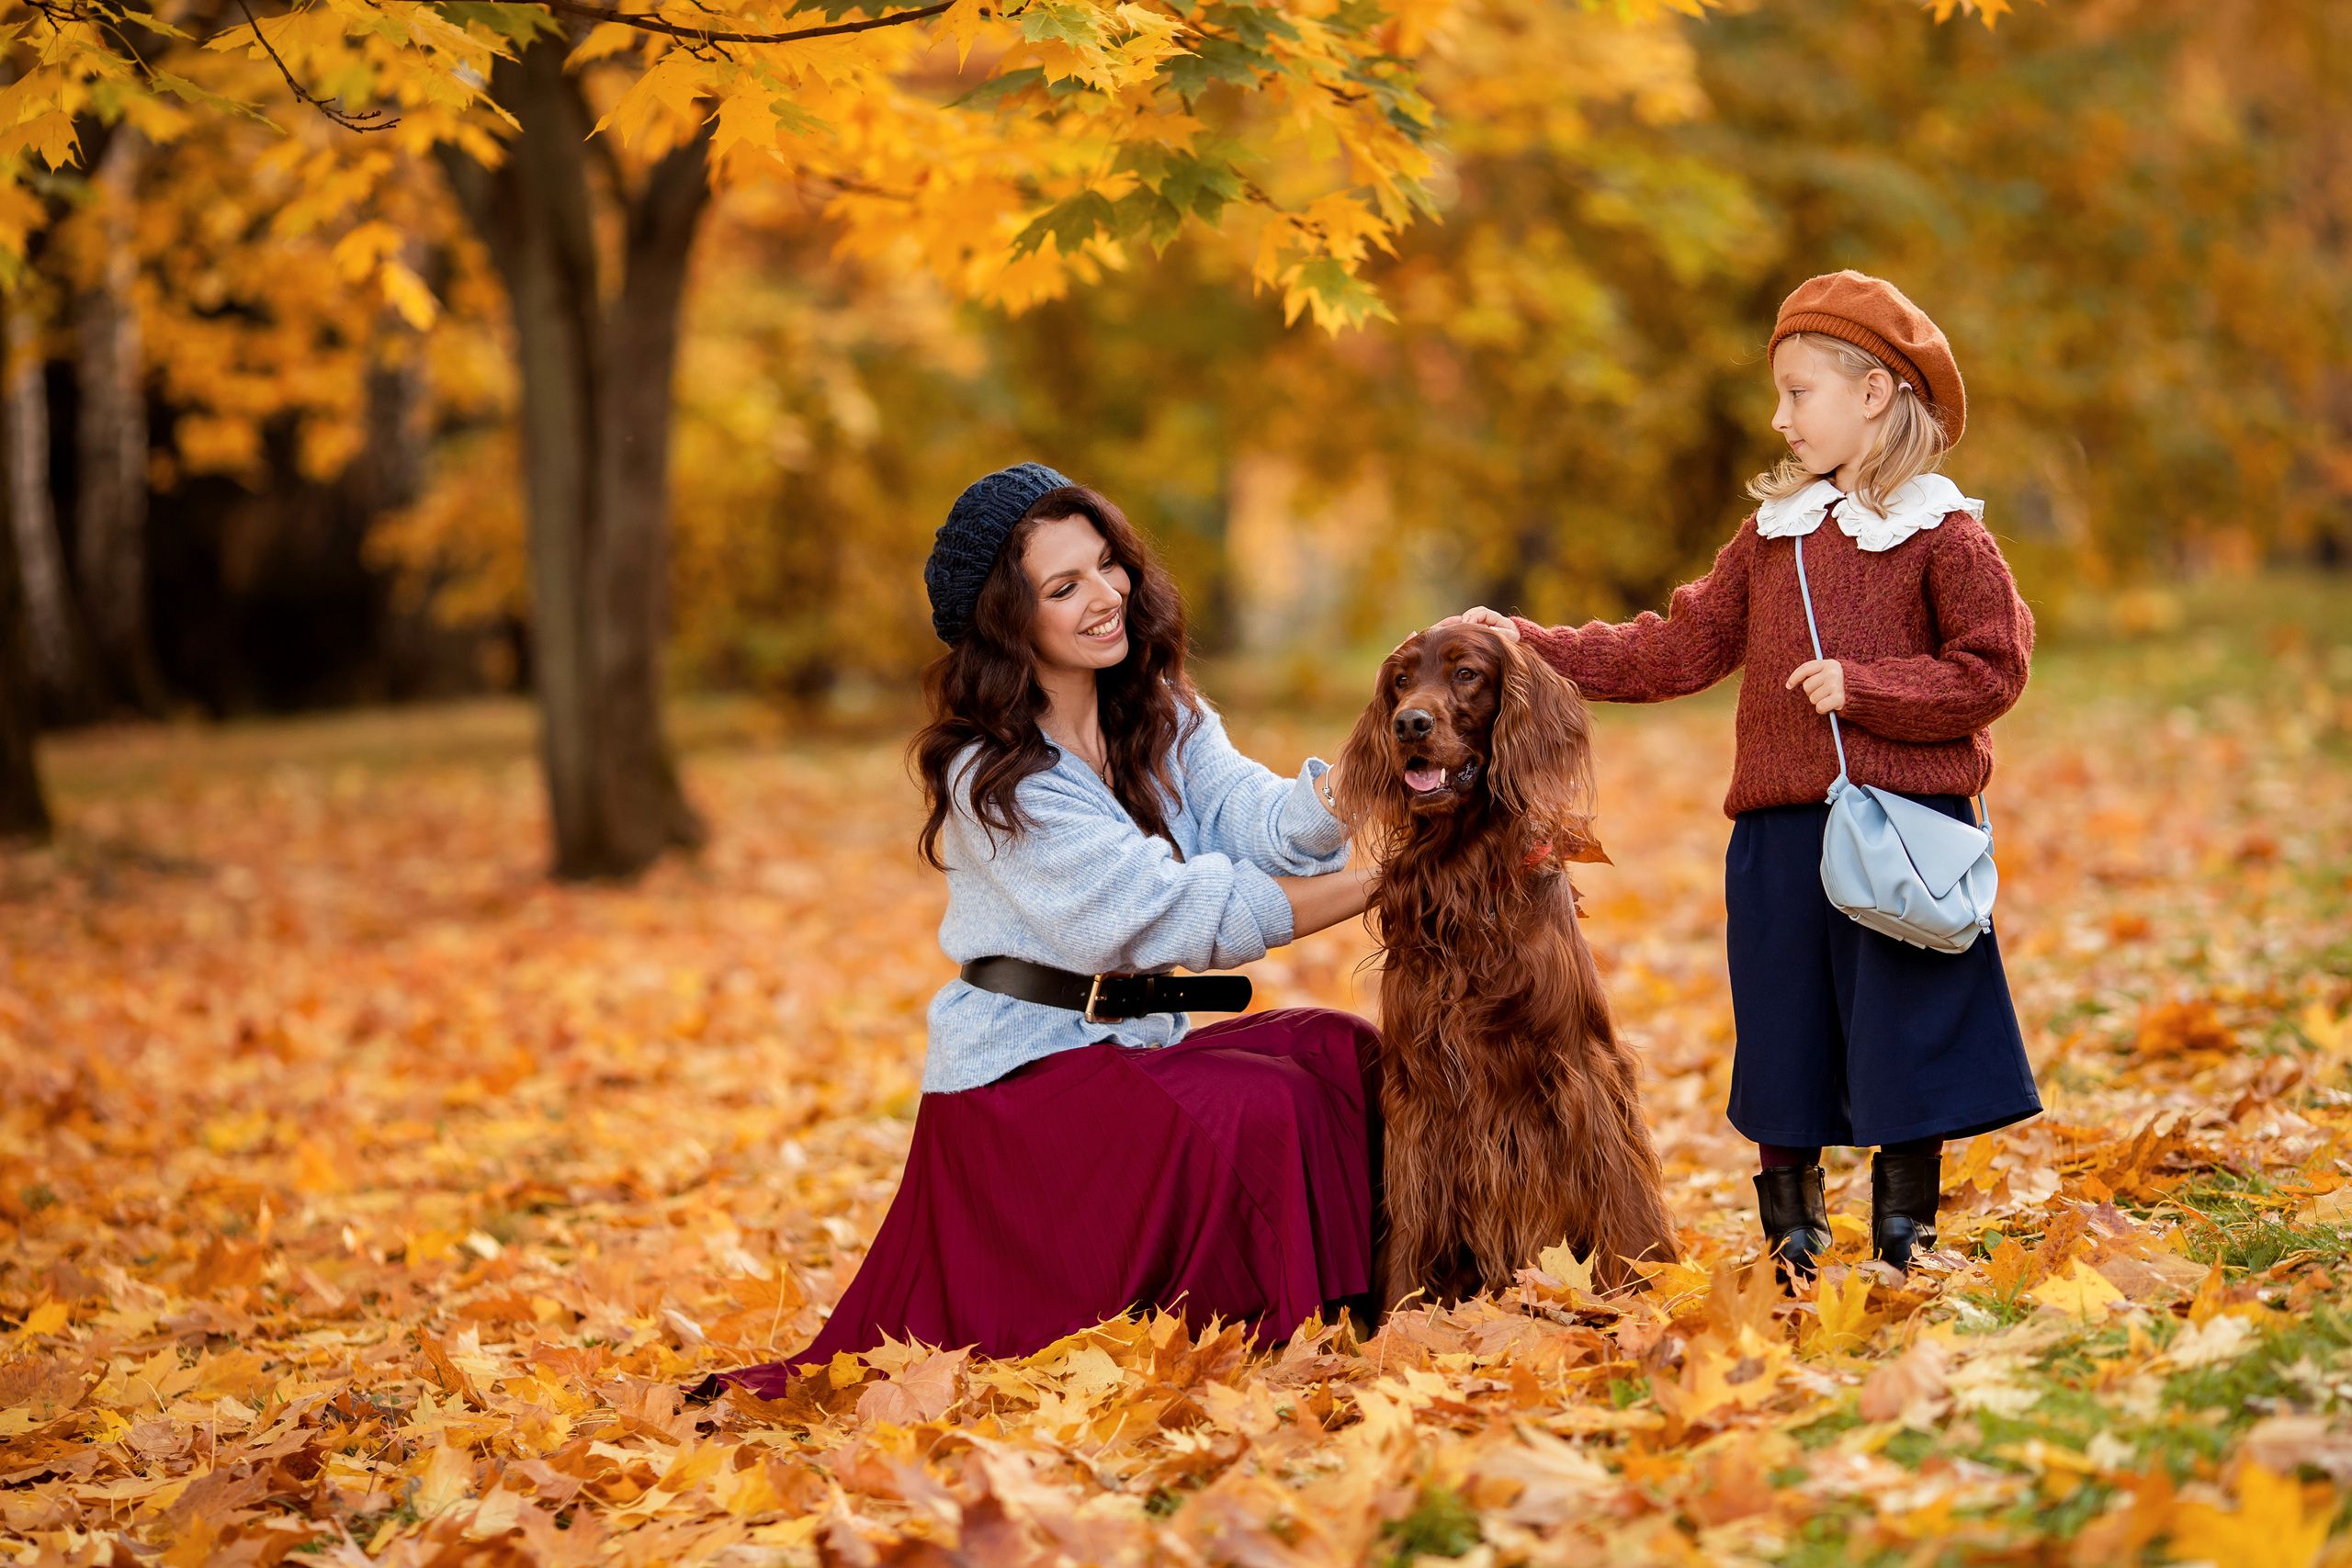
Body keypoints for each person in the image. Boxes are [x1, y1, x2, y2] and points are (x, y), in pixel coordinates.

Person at [722, 463, 1382, 1393]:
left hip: (1129, 1057)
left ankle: (1355, 1311)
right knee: (1261, 1104)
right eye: (1063, 587)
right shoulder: (994, 776)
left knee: (1341, 1055)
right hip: (1020, 1089)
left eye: (1108, 566)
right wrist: (1381, 887)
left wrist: (1380, 759)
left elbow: (1266, 822)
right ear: (1006, 619)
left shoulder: (1165, 713)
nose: (1105, 596)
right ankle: (1271, 1336)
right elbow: (1166, 914)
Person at [1447, 271, 2041, 1280]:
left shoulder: (1947, 534)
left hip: (1905, 826)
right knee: (1783, 1021)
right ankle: (1794, 1234)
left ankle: (1906, 1231)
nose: (1779, 417)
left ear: (1873, 393)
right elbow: (1674, 649)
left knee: (1904, 1017)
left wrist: (1864, 687)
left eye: (1798, 392)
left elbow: (1992, 671)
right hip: (1778, 834)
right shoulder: (1773, 540)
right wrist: (1528, 646)